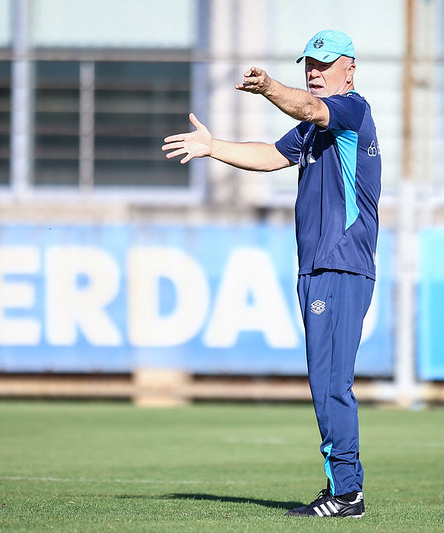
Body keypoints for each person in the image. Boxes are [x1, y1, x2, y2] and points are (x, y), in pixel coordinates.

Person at [162, 29, 381, 519]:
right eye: (310, 64)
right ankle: (343, 489)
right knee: (325, 382)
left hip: (340, 265)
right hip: (319, 268)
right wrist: (213, 146)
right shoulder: (312, 131)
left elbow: (308, 107)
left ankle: (347, 493)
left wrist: (270, 88)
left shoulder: (351, 110)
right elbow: (271, 156)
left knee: (330, 383)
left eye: (324, 65)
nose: (314, 72)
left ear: (349, 68)